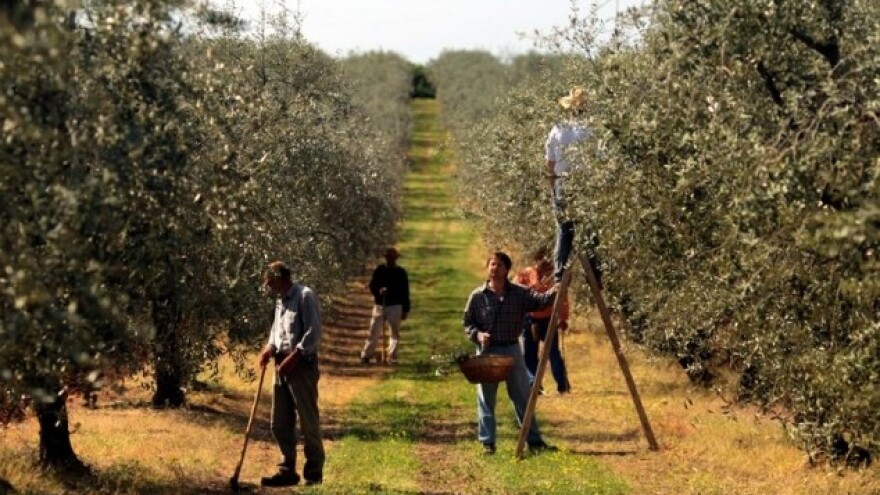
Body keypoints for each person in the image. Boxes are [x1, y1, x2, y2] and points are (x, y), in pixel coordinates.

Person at [463, 251, 558, 455]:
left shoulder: (519, 293)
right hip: (487, 352)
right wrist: (478, 335)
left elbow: (541, 302)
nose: (494, 269)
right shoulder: (478, 296)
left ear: (506, 269)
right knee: (486, 398)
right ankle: (488, 443)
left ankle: (534, 441)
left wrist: (557, 289)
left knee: (522, 396)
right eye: (491, 265)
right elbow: (468, 323)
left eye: (498, 265)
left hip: (512, 349)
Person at [257, 261, 325, 487]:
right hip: (281, 366)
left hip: (301, 366)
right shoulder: (280, 301)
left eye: (270, 281)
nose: (268, 286)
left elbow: (313, 331)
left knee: (308, 422)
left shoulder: (305, 296)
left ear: (280, 278)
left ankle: (313, 473)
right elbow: (277, 330)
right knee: (279, 423)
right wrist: (270, 348)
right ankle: (287, 470)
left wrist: (294, 357)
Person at [545, 86, 602, 285]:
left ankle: (560, 276)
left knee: (564, 231)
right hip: (584, 184)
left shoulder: (557, 130)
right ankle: (595, 275)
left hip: (562, 182)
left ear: (570, 108)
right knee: (590, 230)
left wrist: (553, 187)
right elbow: (599, 159)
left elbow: (550, 164)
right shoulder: (591, 131)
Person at [515, 248, 572, 395]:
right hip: (529, 320)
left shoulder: (555, 276)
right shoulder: (525, 274)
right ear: (536, 259)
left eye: (547, 259)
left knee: (553, 354)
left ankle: (563, 386)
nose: (545, 262)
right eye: (541, 259)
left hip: (549, 319)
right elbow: (515, 293)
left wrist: (563, 318)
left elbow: (562, 297)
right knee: (529, 354)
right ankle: (533, 386)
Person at [360, 247, 411, 365]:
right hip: (380, 305)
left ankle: (392, 357)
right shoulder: (380, 270)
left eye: (392, 257)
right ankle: (366, 355)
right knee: (374, 330)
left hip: (396, 306)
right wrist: (379, 291)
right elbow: (372, 285)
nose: (390, 259)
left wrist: (405, 309)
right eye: (388, 257)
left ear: (396, 258)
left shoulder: (401, 272)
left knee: (394, 333)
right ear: (386, 258)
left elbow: (405, 292)